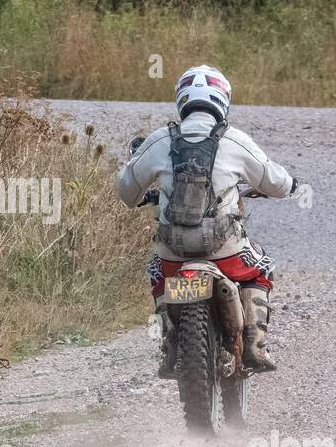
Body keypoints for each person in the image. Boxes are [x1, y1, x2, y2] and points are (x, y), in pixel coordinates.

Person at [117, 66, 299, 374]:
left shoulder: (160, 140)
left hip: (173, 254)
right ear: (223, 100)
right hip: (225, 253)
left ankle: (171, 341)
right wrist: (292, 185)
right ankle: (254, 341)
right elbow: (275, 182)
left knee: (157, 274)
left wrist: (144, 194)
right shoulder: (234, 140)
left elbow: (126, 192)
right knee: (262, 268)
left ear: (182, 100)